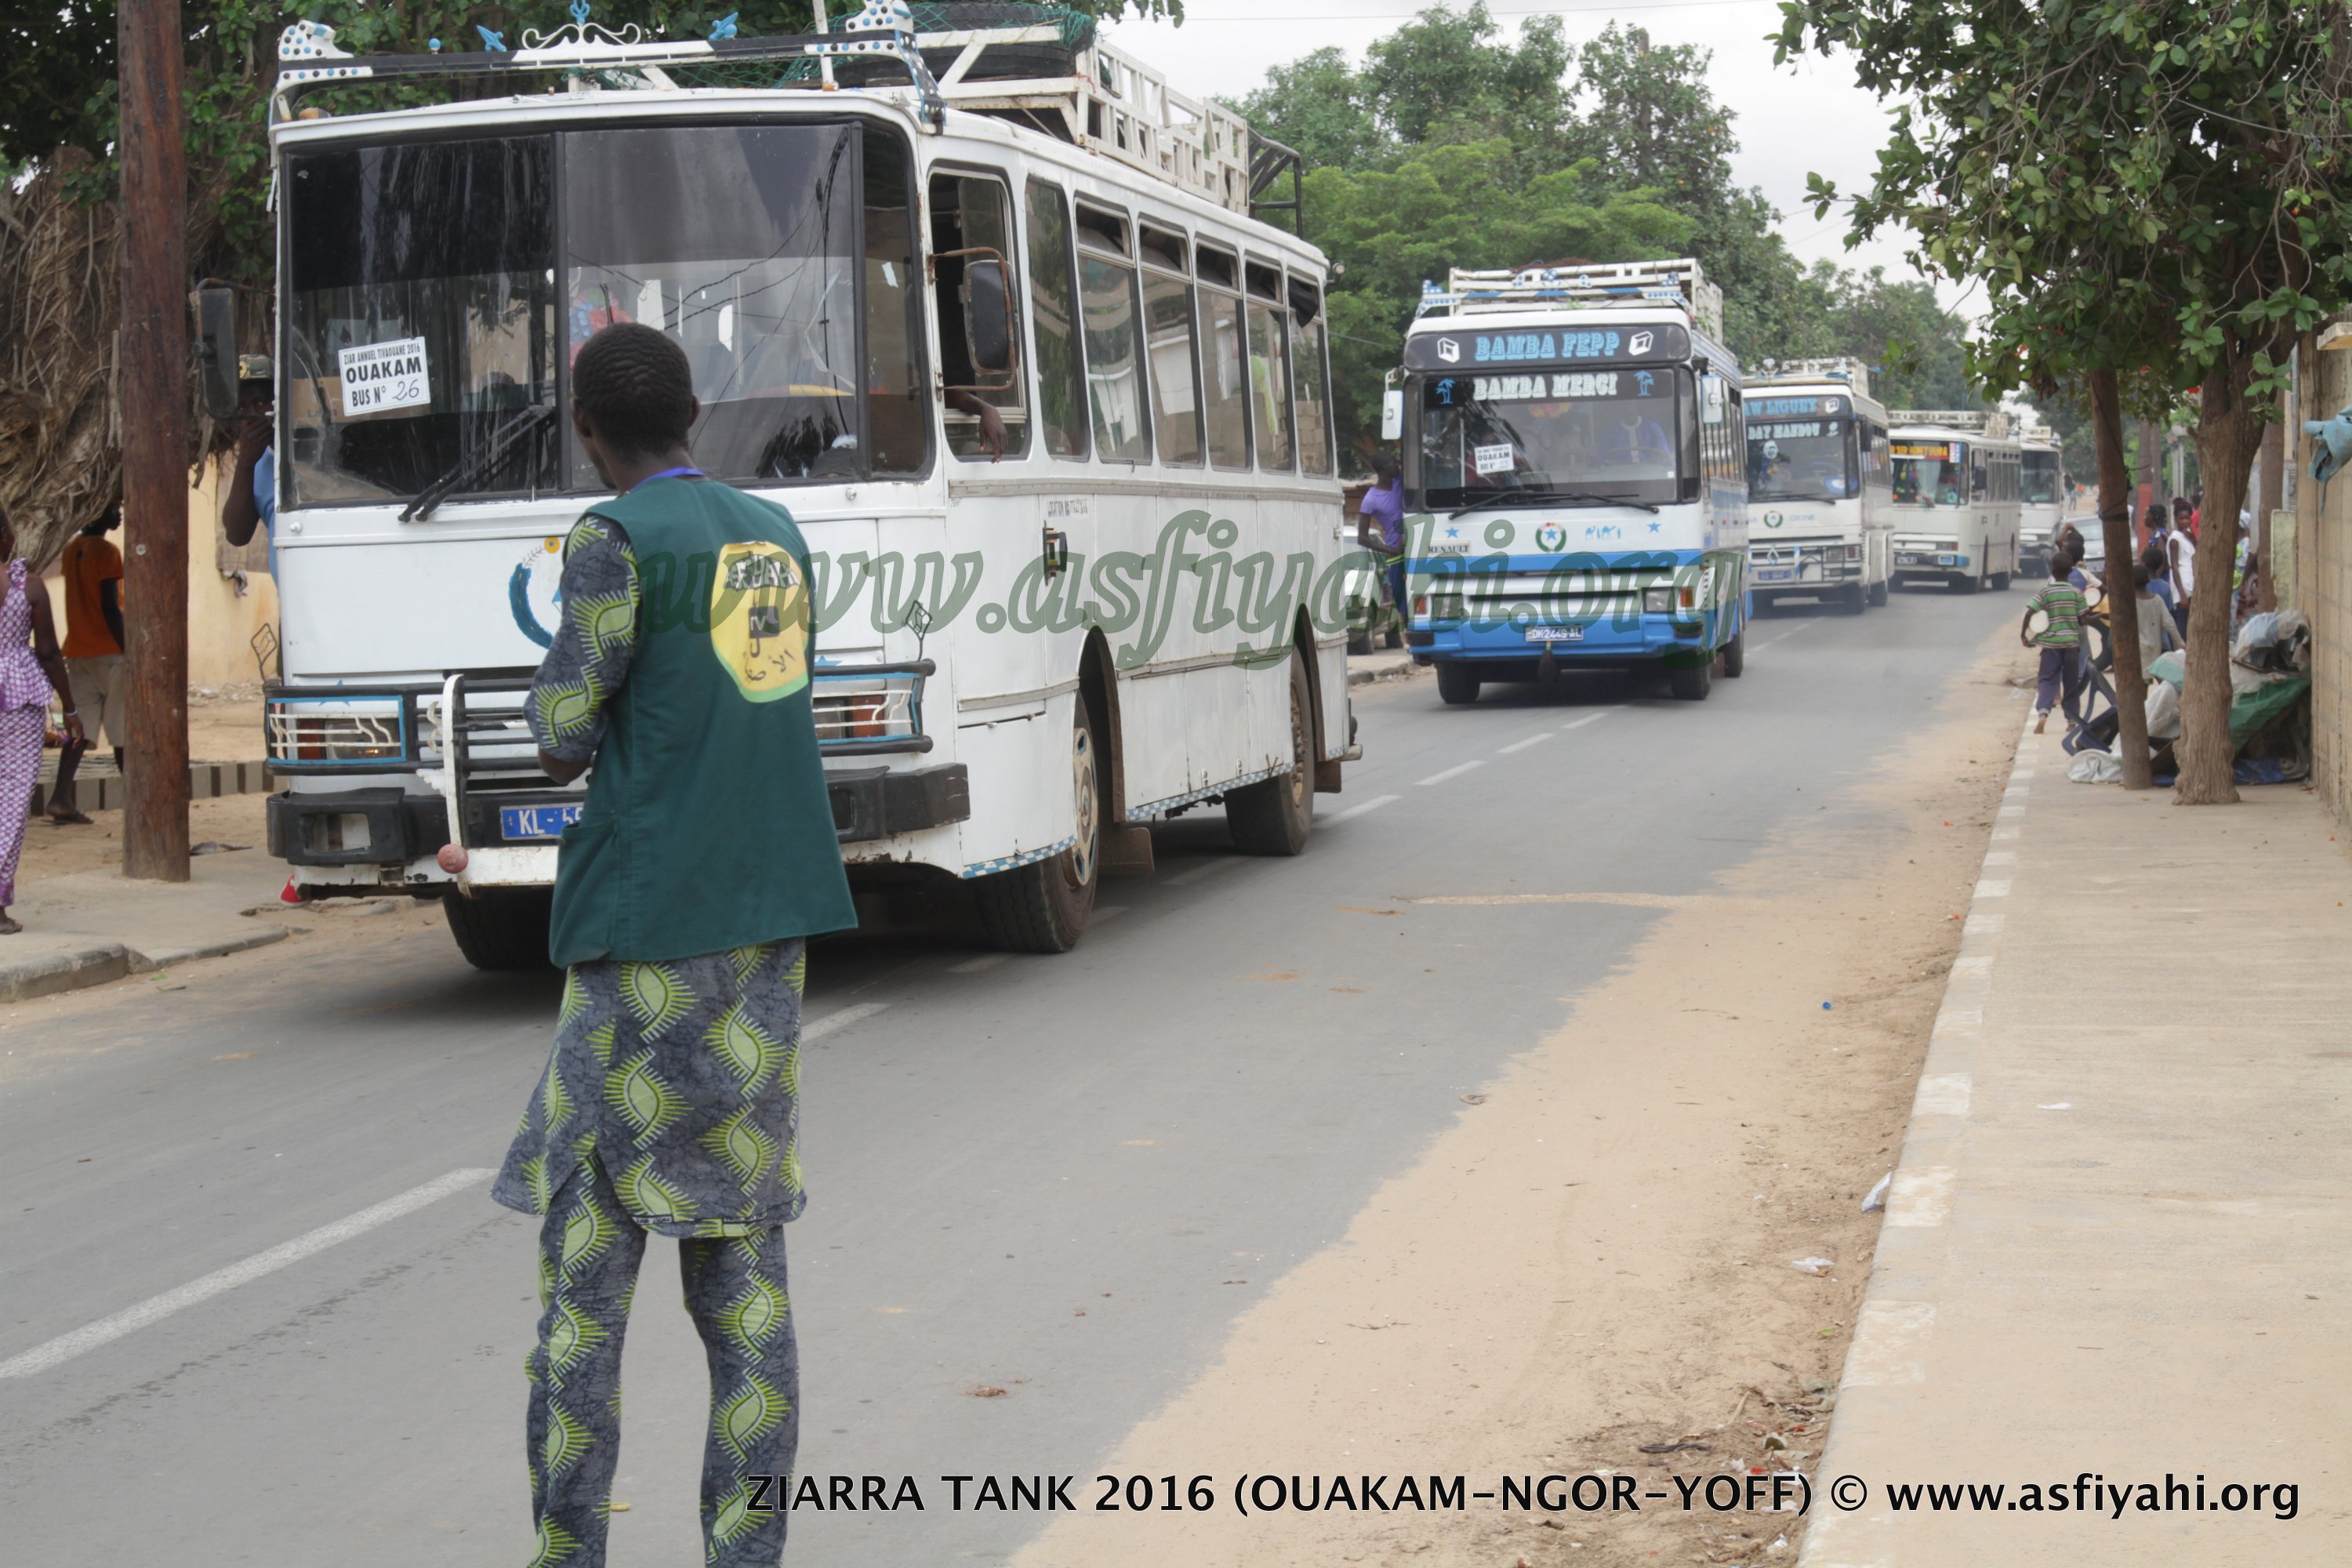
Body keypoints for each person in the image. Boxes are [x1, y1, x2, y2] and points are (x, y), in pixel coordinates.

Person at [492, 325, 855, 1568]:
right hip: (765, 939)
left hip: (644, 939)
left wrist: (562, 696)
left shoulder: (613, 540)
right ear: (694, 415)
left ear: (586, 428)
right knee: (742, 1276)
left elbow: (563, 730)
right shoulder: (774, 537)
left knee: (584, 1296)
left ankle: (566, 1553)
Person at [0, 503, 85, 934]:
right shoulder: (28, 587)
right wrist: (70, 708)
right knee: (12, 801)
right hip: (19, 699)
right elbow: (49, 653)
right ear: (6, 537)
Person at [46, 506, 125, 823]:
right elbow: (109, 606)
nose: (119, 514)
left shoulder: (71, 550)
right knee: (123, 731)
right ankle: (137, 801)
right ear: (97, 513)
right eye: (113, 509)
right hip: (112, 654)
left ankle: (60, 797)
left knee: (78, 730)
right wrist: (130, 649)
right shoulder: (107, 552)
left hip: (79, 652)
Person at [2020, 552, 2089, 735]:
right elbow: (2083, 620)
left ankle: (2043, 713)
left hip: (2051, 647)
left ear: (2052, 570)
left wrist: (2023, 635)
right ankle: (2072, 721)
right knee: (2071, 684)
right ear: (2070, 572)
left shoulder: (2045, 593)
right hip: (2071, 646)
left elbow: (2029, 613)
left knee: (2047, 679)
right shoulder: (2076, 593)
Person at [1359, 453, 1406, 633]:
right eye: (1394, 463)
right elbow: (1362, 538)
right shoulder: (1371, 499)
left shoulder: (1401, 482)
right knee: (1403, 603)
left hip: (1416, 548)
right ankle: (1408, 636)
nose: (1398, 466)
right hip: (1396, 556)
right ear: (1386, 467)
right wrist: (1391, 550)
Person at [2133, 563, 2182, 672]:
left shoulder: (2130, 603)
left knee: (2144, 677)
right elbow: (2170, 624)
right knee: (2159, 674)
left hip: (2137, 649)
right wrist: (2180, 644)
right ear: (2148, 581)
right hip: (2157, 646)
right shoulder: (2157, 600)